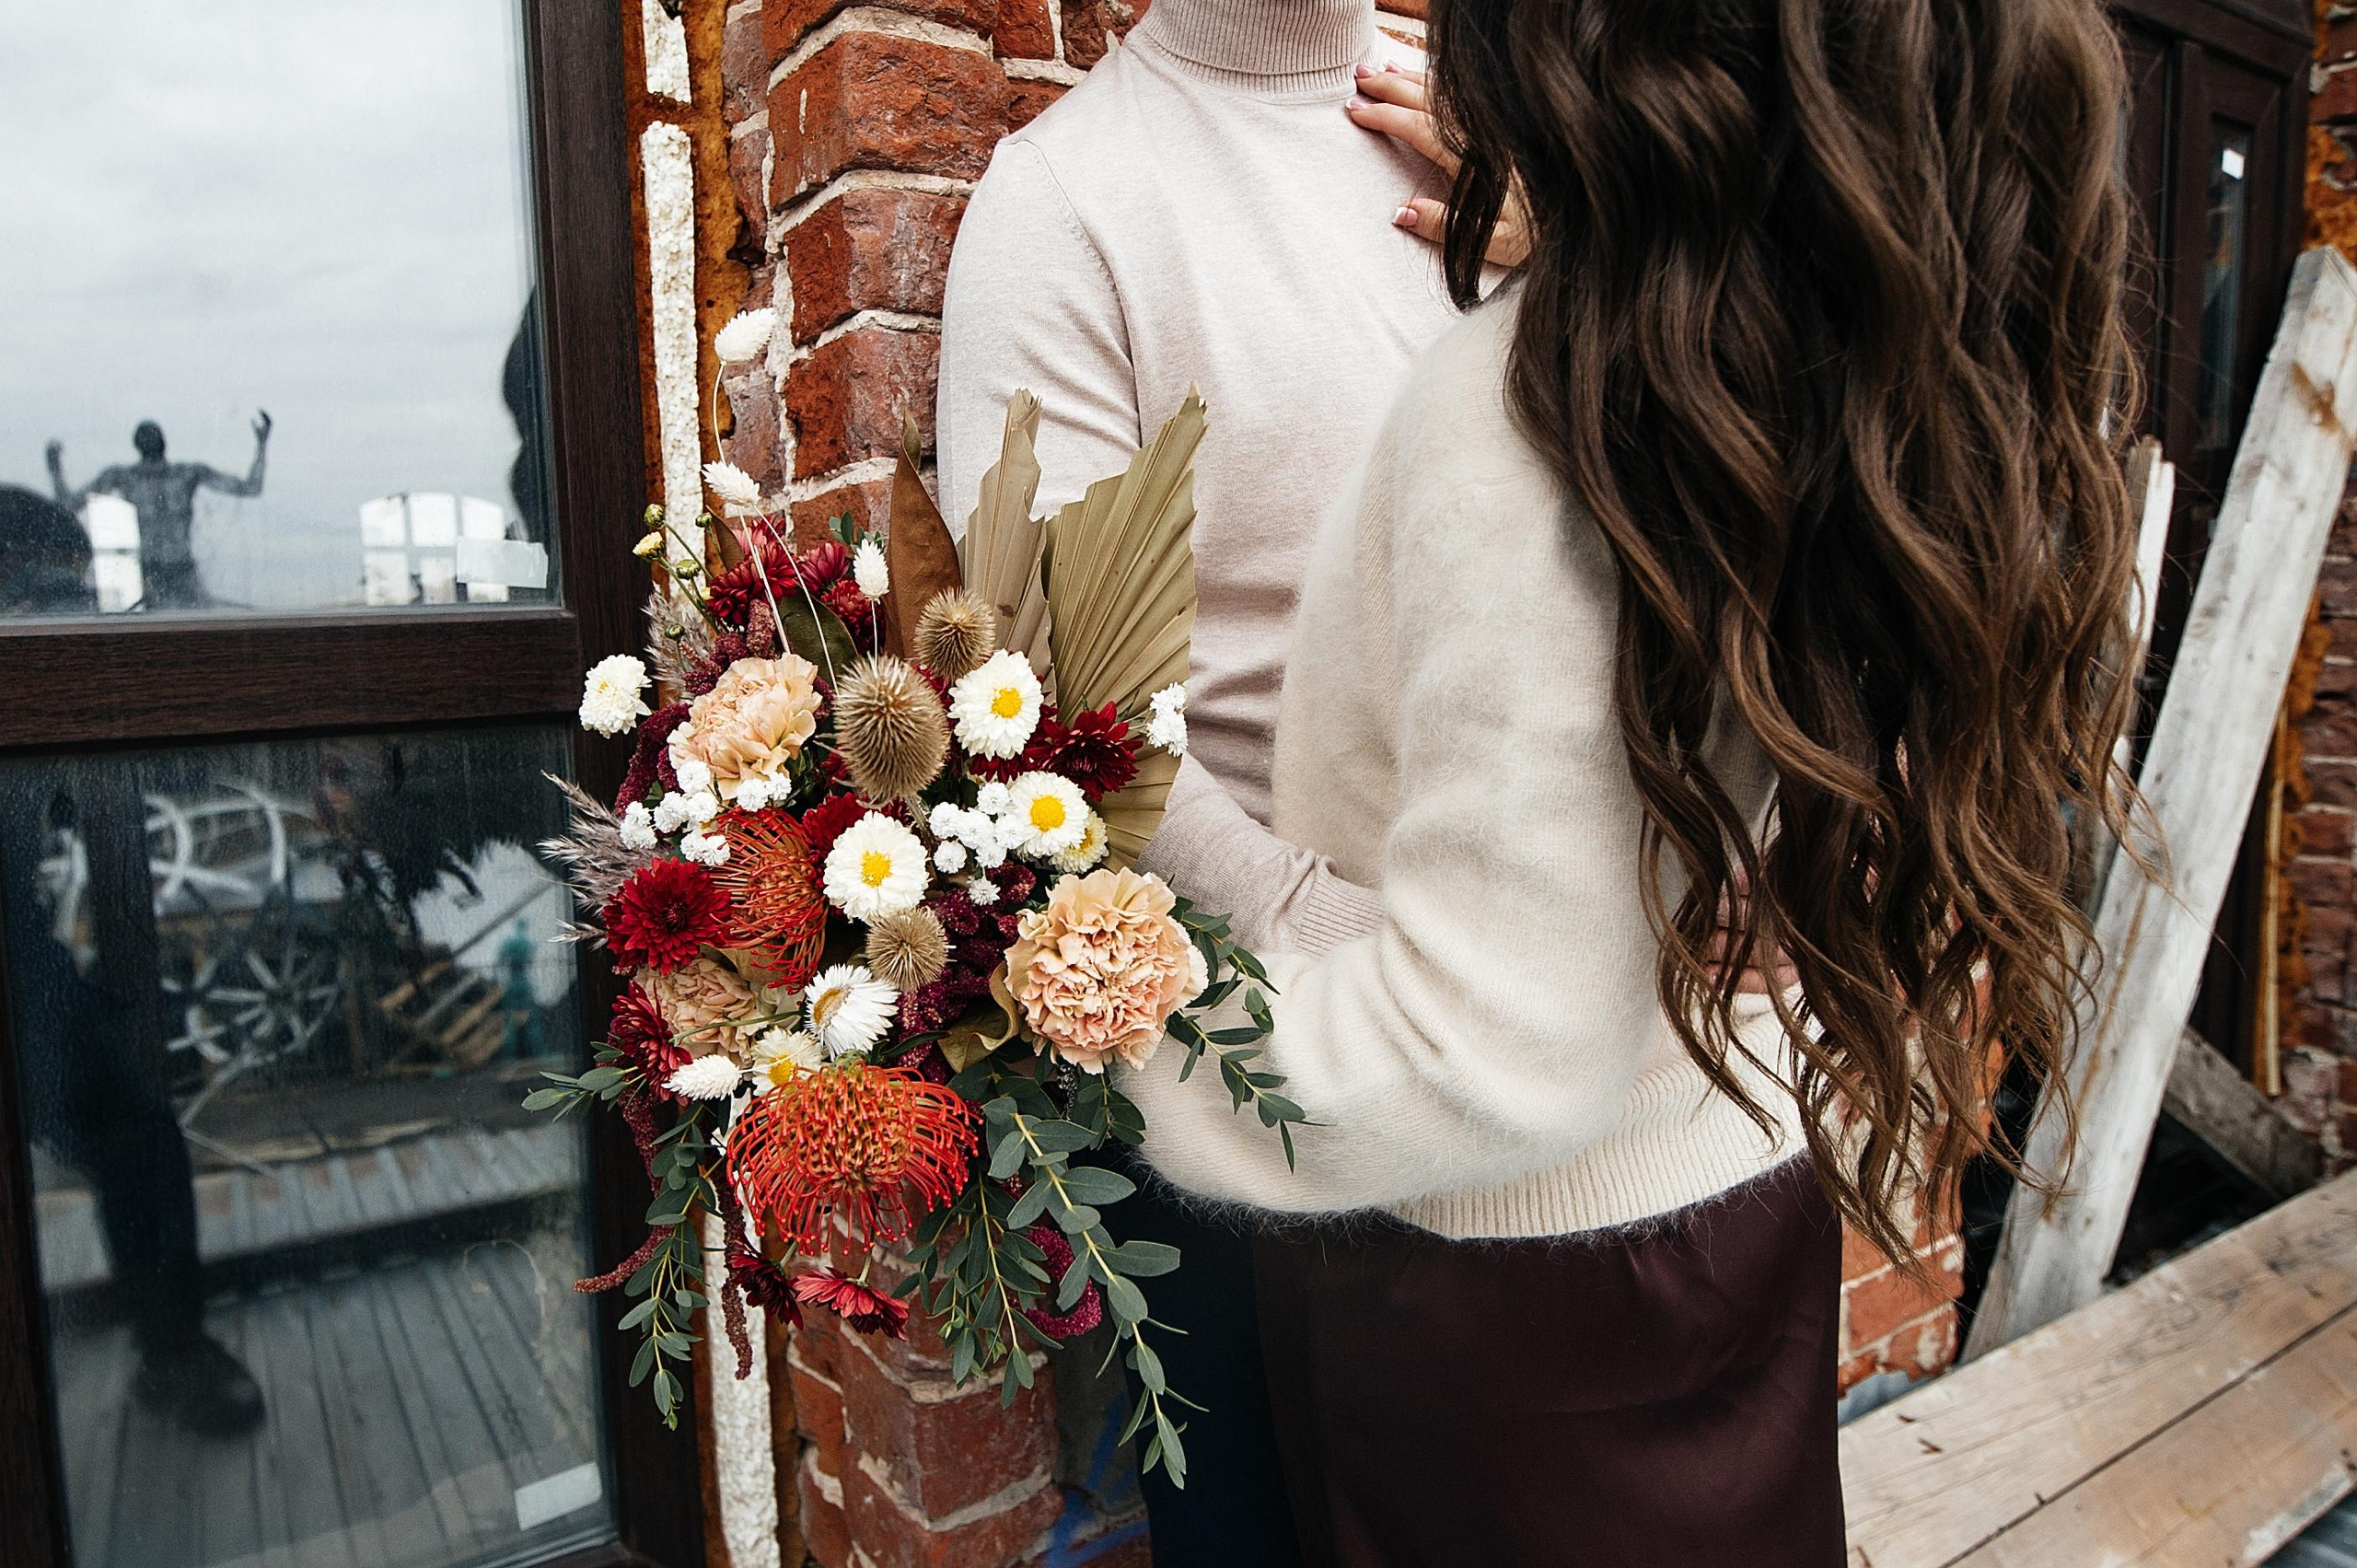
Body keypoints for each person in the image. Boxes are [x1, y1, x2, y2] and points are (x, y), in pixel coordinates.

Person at [1111, 0, 2141, 1561]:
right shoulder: (1799, 353)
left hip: (1507, 1303)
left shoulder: (1539, 404)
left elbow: (1477, 1051)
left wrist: (1118, 1026)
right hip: (1738, 1182)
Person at [935, 2, 1529, 1558]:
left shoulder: (1490, 123)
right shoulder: (1067, 203)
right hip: (1287, 1058)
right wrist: (1347, 953)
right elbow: (1071, 719)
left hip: (1573, 997)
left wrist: (1589, 252)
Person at [47, 412, 271, 610]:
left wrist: (262, 444)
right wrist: (55, 468)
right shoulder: (131, 476)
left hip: (178, 572)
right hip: (150, 576)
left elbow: (251, 488)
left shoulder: (183, 474)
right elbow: (67, 508)